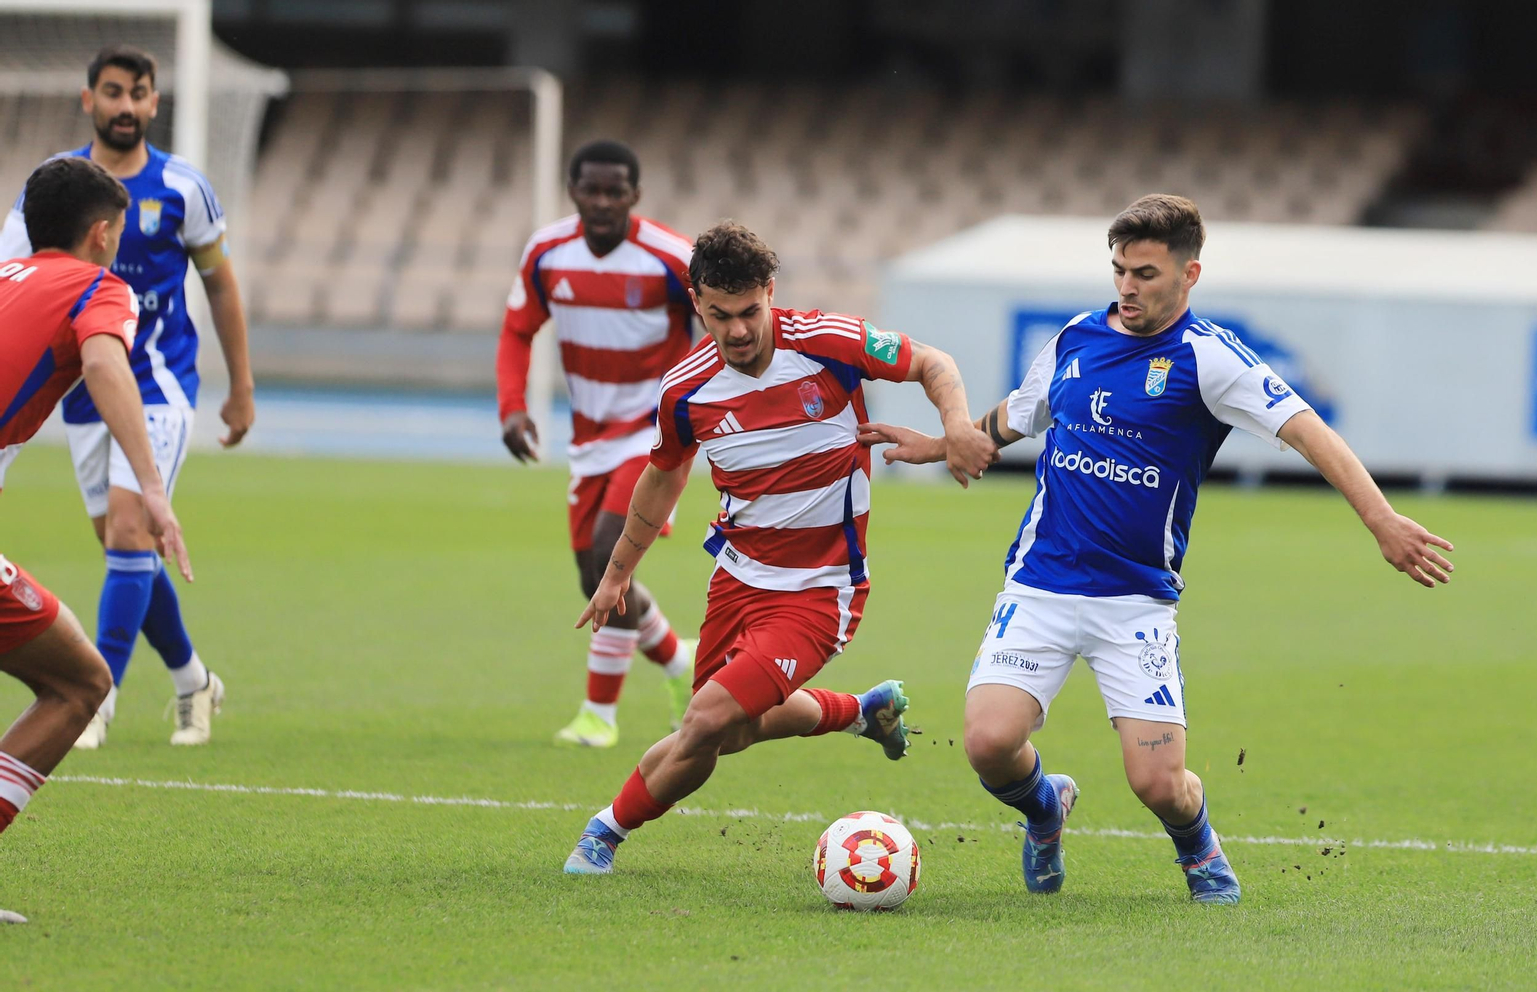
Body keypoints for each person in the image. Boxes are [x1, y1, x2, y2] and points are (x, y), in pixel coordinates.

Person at [858, 194, 1455, 905]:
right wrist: (942, 442)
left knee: (1158, 784)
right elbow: (1020, 413)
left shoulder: (1209, 358)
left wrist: (1381, 519)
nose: (1127, 286)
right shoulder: (1078, 337)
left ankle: (1195, 840)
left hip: (1135, 603)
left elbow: (1307, 431)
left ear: (1189, 274)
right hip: (1041, 583)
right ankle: (1047, 807)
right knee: (988, 745)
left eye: (1144, 272)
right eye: (1119, 270)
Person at [561, 221, 995, 874]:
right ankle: (860, 712)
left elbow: (933, 362)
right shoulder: (686, 389)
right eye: (718, 315)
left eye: (749, 312)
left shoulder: (829, 343)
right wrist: (617, 573)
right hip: (737, 579)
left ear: (770, 291)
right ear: (696, 304)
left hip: (823, 588)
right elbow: (663, 475)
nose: (736, 330)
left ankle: (605, 830)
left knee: (704, 718)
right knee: (724, 733)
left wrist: (955, 426)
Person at [0, 45, 251, 749]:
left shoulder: (183, 188)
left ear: (154, 102)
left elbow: (220, 284)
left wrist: (242, 384)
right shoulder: (50, 190)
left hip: (159, 381)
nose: (125, 105)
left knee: (132, 532)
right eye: (112, 91)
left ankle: (94, 695)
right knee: (123, 544)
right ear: (90, 100)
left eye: (137, 93)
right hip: (77, 390)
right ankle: (193, 678)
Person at [0, 156, 192, 924]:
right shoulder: (96, 285)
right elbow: (107, 360)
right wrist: (151, 486)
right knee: (81, 681)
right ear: (105, 233)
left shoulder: (7, 275)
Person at [497, 140, 700, 747]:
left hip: (655, 431)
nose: (604, 202)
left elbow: (721, 321)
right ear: (573, 191)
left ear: (636, 195)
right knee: (596, 580)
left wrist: (696, 398)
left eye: (617, 192)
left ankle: (598, 717)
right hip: (589, 438)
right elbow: (517, 328)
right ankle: (679, 664)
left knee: (613, 553)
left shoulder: (670, 255)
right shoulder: (547, 252)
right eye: (593, 190)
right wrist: (512, 409)